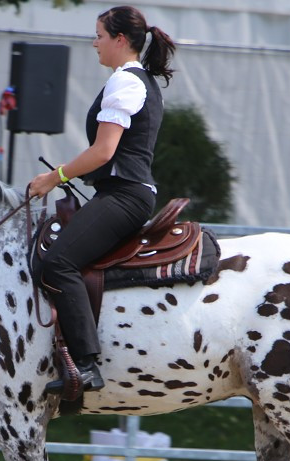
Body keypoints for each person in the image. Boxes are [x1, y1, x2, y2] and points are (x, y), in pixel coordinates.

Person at [29, 5, 176, 395]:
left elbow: (103, 152)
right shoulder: (135, 81)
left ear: (120, 40)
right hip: (124, 191)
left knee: (57, 263)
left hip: (125, 195)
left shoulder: (125, 83)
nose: (94, 43)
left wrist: (54, 177)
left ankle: (87, 366)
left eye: (99, 35)